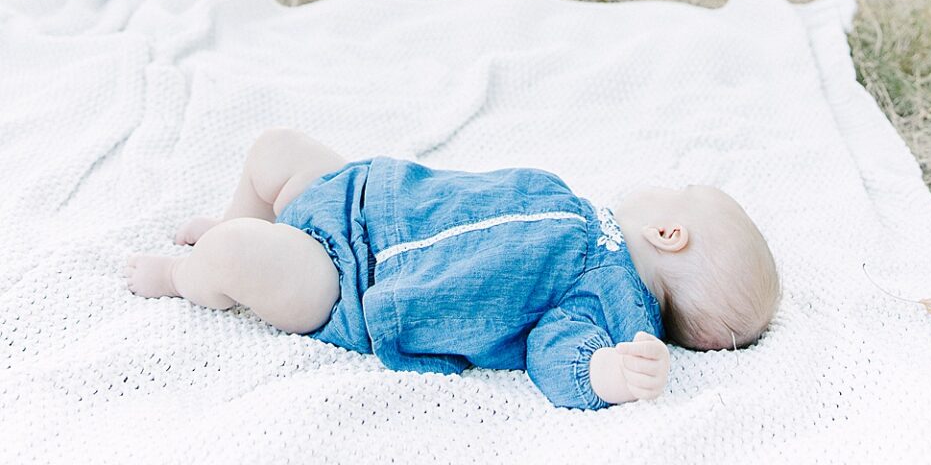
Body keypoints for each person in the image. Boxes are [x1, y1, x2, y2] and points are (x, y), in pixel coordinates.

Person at [125, 127, 779, 410]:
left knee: (235, 256)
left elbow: (559, 360)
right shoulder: (582, 213)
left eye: (684, 189)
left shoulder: (609, 309)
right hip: (366, 198)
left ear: (670, 232)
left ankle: (188, 279)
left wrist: (608, 373)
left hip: (350, 286)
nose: (666, 186)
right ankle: (245, 223)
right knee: (275, 151)